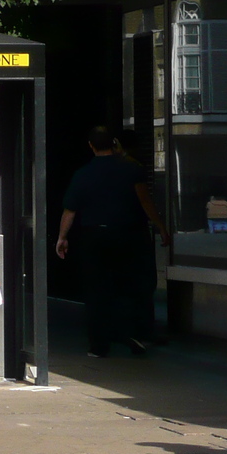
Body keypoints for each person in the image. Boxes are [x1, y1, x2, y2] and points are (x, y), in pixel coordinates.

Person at [56, 127, 171, 358]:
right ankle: (133, 334)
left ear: (91, 146)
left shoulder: (82, 174)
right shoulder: (131, 170)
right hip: (130, 236)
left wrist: (62, 238)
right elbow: (145, 201)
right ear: (115, 143)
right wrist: (160, 226)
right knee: (130, 287)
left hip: (94, 238)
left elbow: (70, 210)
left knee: (96, 291)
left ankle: (99, 346)